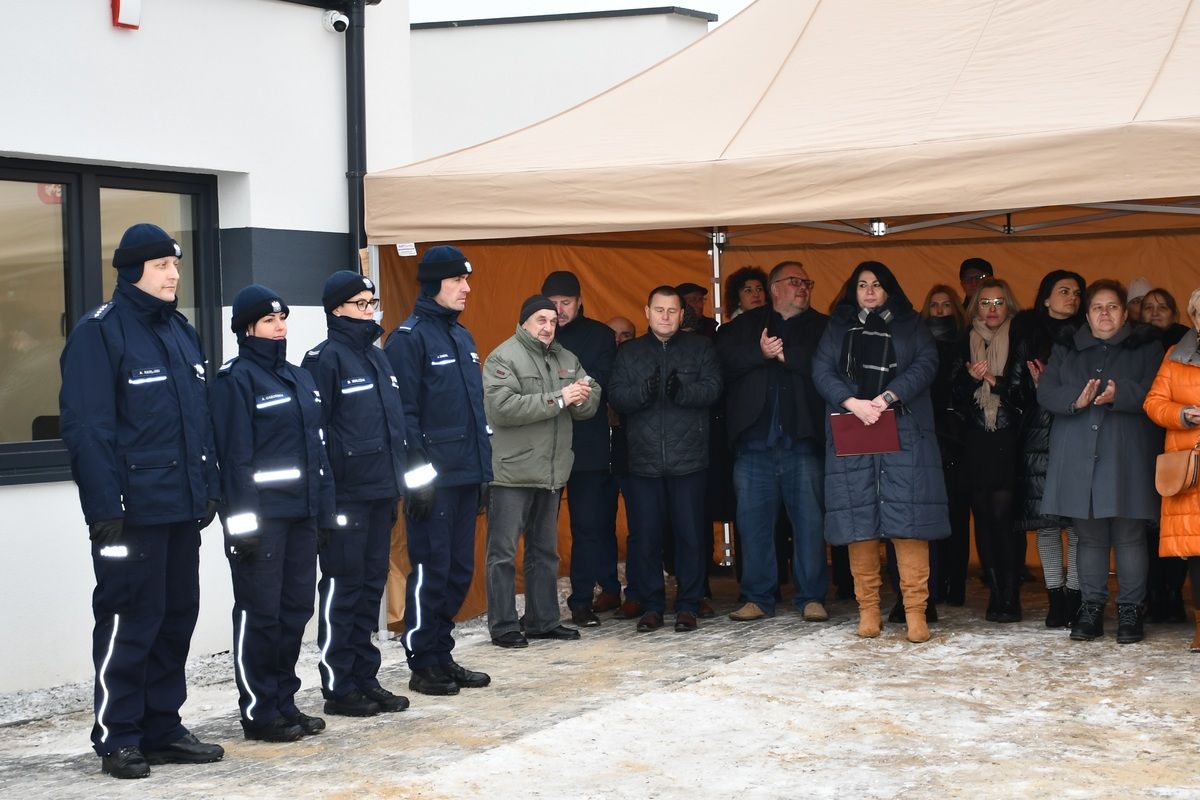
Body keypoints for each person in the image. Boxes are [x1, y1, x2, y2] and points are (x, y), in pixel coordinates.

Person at [59, 223, 224, 779]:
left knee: (177, 618)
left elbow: (198, 422)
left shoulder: (180, 330)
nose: (174, 274)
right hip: (131, 514)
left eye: (175, 265)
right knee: (130, 620)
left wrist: (207, 490)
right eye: (161, 267)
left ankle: (162, 726)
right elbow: (88, 429)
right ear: (132, 272)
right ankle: (119, 735)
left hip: (180, 509)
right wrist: (104, 509)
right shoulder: (99, 334)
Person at [212, 285, 335, 742]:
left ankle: (284, 701)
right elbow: (234, 462)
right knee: (260, 615)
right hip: (262, 522)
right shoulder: (236, 380)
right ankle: (260, 711)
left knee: (295, 610)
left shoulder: (300, 377)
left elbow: (318, 454)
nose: (279, 327)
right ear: (247, 329)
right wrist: (241, 528)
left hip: (302, 516)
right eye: (268, 321)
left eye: (282, 318)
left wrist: (324, 514)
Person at [813, 261, 949, 644]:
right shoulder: (837, 326)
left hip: (904, 428)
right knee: (861, 525)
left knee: (909, 524)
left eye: (876, 285)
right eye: (862, 285)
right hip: (853, 423)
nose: (869, 291)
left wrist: (887, 397)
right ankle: (868, 610)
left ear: (889, 289)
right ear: (852, 291)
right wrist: (852, 402)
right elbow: (822, 371)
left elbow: (926, 365)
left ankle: (915, 613)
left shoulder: (911, 324)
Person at [302, 270, 413, 717]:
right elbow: (316, 436)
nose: (370, 311)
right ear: (336, 310)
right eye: (361, 304)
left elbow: (394, 427)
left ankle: (365, 678)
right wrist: (325, 504)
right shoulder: (324, 360)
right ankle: (339, 684)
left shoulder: (378, 357)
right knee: (343, 591)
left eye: (373, 303)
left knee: (370, 590)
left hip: (380, 493)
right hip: (346, 499)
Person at [384, 245, 493, 695]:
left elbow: (473, 412)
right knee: (431, 570)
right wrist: (418, 482)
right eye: (457, 281)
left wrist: (483, 474)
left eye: (466, 280)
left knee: (459, 571)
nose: (467, 288)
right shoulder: (408, 340)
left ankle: (441, 653)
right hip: (435, 482)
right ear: (434, 286)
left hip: (466, 475)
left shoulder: (462, 337)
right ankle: (422, 661)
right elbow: (404, 418)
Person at [1038, 280, 1163, 644]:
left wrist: (1120, 394)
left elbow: (1158, 391)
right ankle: (1091, 608)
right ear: (1087, 315)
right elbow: (1046, 391)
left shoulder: (1148, 347)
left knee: (1129, 536)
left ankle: (1130, 610)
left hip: (1127, 453)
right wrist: (1077, 399)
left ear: (1125, 313)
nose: (1104, 313)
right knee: (1090, 538)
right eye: (1097, 308)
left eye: (1112, 307)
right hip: (1078, 453)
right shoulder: (1066, 347)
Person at [483, 295, 600, 647]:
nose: (548, 327)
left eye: (553, 320)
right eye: (540, 320)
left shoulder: (566, 358)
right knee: (503, 554)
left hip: (551, 471)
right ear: (524, 323)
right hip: (511, 473)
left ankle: (542, 620)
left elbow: (591, 399)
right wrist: (561, 398)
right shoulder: (503, 357)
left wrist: (582, 395)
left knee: (545, 552)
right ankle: (503, 625)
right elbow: (502, 408)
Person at [716, 261, 829, 622]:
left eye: (807, 281)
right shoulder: (744, 326)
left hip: (802, 441)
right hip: (754, 444)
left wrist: (786, 356)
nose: (803, 287)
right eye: (795, 281)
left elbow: (829, 369)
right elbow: (721, 364)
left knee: (810, 523)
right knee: (753, 525)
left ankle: (811, 596)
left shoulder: (823, 327)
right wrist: (759, 354)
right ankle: (757, 597)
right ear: (775, 288)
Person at [608, 286, 722, 633]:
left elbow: (715, 388)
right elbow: (616, 395)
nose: (666, 317)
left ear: (682, 314)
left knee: (689, 536)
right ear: (647, 312)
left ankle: (688, 604)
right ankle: (652, 606)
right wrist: (643, 392)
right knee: (646, 537)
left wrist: (682, 392)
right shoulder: (629, 353)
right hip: (643, 462)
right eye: (659, 310)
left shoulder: (701, 347)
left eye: (672, 311)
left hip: (688, 460)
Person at [540, 271, 619, 627]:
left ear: (579, 300)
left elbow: (597, 383)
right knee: (540, 530)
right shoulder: (534, 336)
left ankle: (582, 600)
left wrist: (559, 391)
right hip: (543, 448)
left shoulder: (600, 335)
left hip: (587, 446)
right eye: (553, 304)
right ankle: (541, 608)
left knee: (588, 527)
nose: (559, 311)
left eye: (566, 303)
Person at [1008, 270, 1085, 628]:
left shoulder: (1088, 335)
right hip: (1038, 435)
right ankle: (1056, 598)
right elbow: (1013, 390)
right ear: (1046, 298)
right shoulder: (1027, 334)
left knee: (1080, 524)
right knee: (1048, 523)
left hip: (1080, 430)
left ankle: (1075, 595)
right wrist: (1037, 387)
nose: (1072, 297)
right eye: (1064, 290)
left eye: (1077, 292)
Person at [953, 278, 1025, 622]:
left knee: (1005, 519)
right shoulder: (962, 340)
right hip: (976, 439)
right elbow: (951, 396)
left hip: (1009, 437)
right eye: (985, 303)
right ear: (975, 307)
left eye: (999, 302)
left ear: (1009, 305)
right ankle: (995, 593)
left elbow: (1029, 395)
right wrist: (970, 379)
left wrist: (996, 382)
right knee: (982, 518)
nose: (992, 309)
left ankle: (1012, 596)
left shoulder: (1021, 338)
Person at [1143, 288, 1200, 650]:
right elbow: (1153, 403)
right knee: (1197, 554)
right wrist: (1182, 414)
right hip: (1192, 467)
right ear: (1194, 317)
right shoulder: (1175, 355)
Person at [919, 285, 970, 606]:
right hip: (926, 437)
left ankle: (957, 586)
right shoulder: (918, 344)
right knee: (929, 517)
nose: (939, 310)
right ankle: (933, 585)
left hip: (959, 438)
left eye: (945, 304)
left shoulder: (966, 343)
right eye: (934, 305)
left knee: (957, 517)